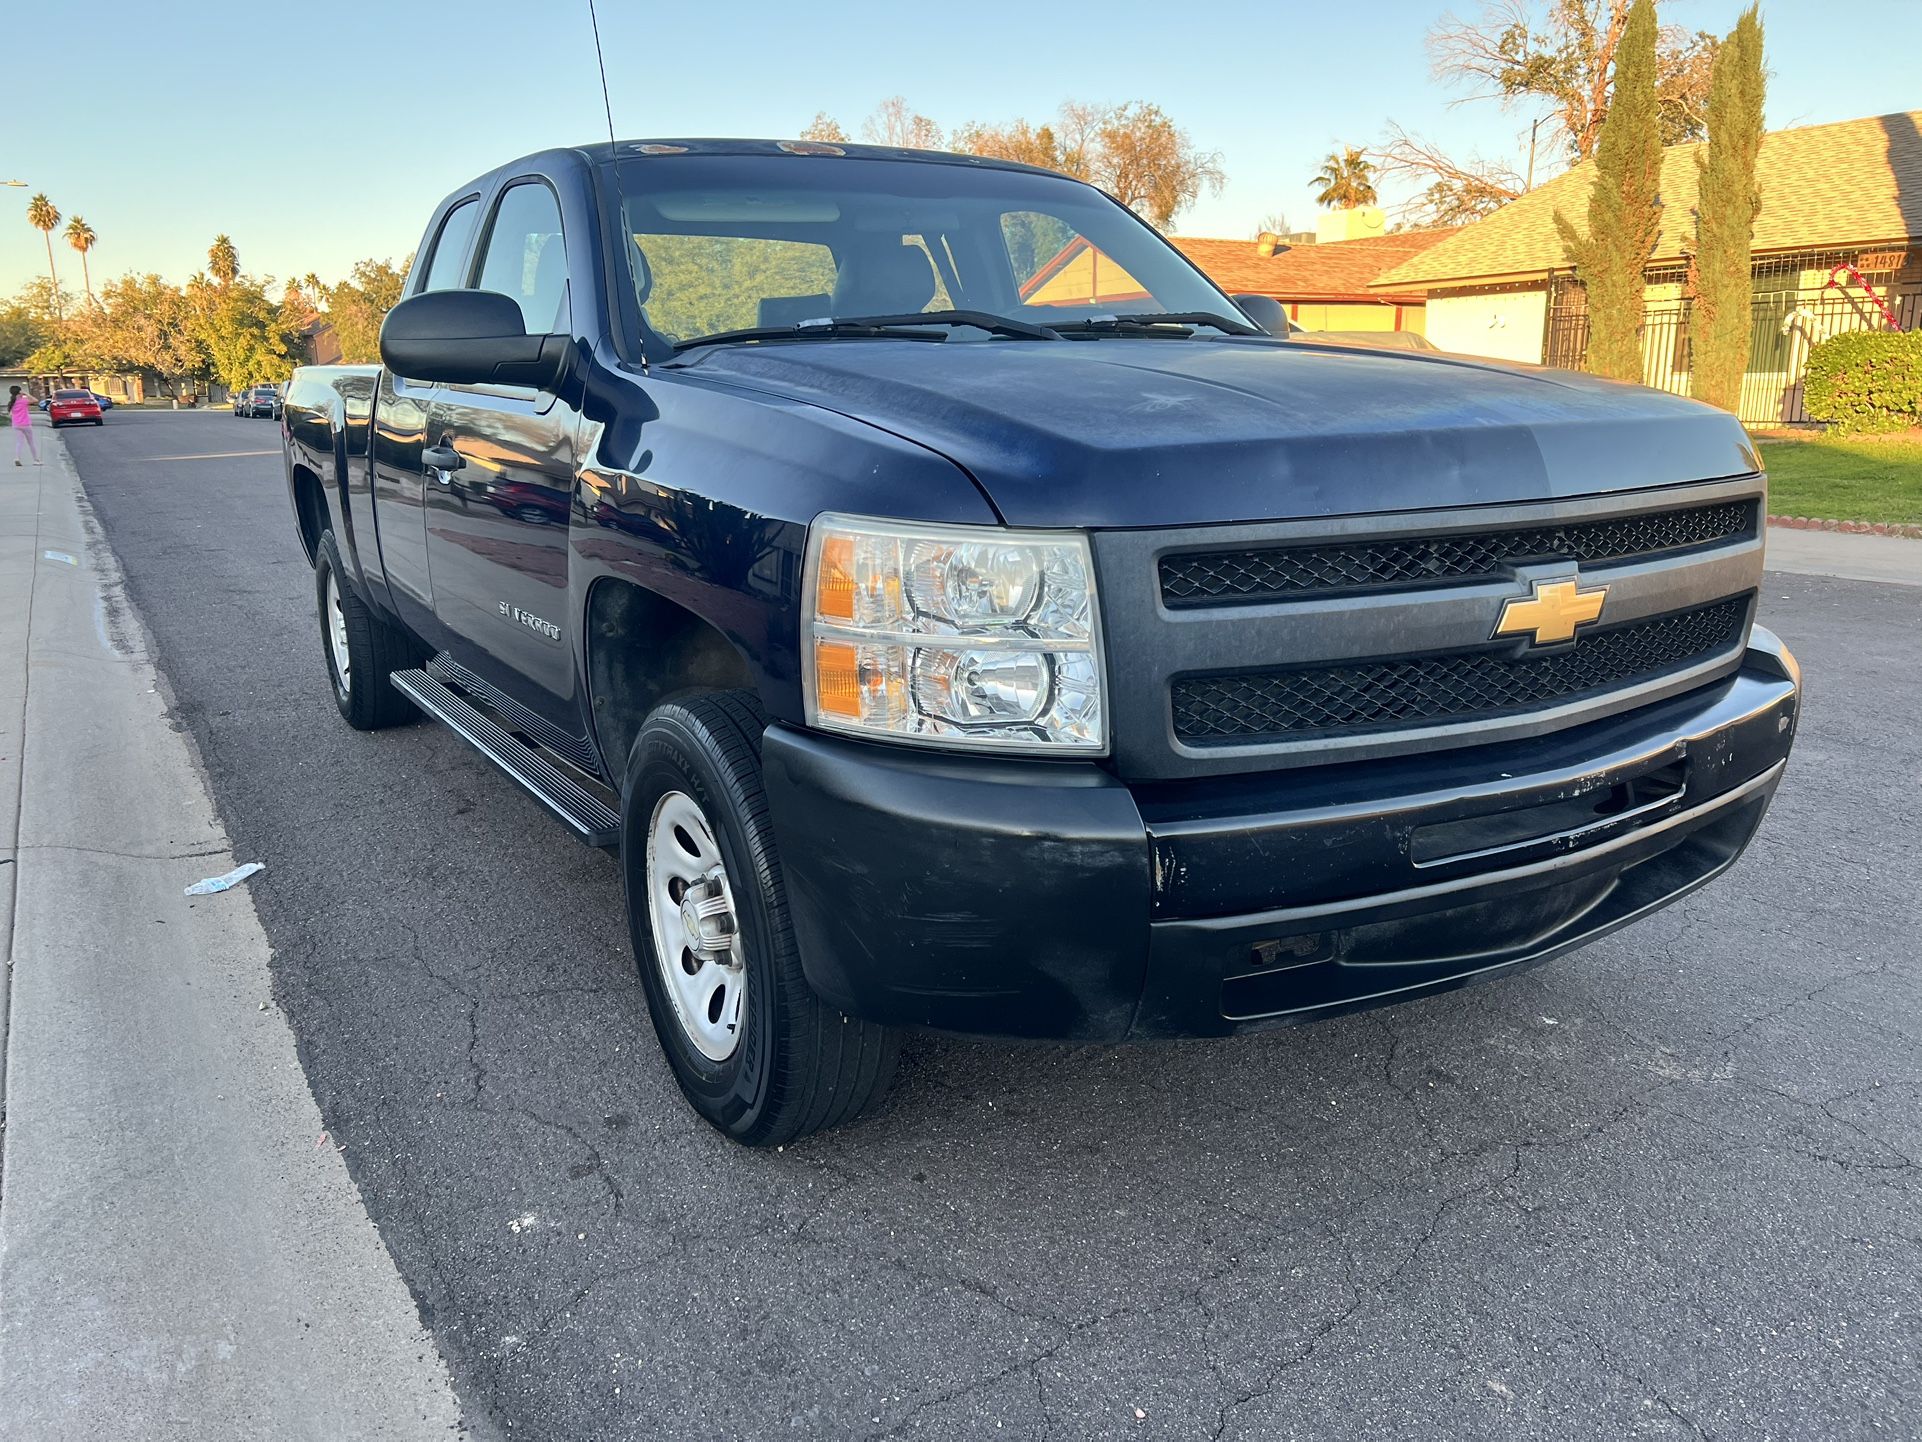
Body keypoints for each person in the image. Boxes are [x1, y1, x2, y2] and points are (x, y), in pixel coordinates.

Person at [9, 385, 42, 467]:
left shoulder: (11, 403)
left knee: (19, 442)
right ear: (19, 392)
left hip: (16, 424)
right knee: (31, 443)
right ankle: (36, 460)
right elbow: (35, 400)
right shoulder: (23, 401)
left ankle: (17, 458)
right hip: (26, 424)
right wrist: (26, 394)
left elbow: (10, 414)